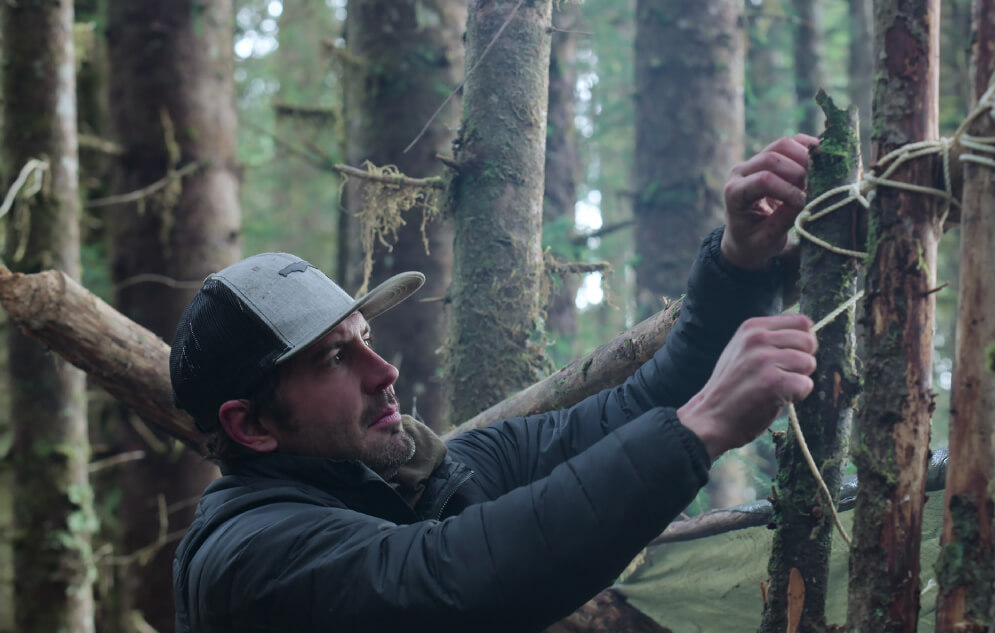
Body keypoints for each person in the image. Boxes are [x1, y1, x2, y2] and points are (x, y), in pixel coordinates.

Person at [169, 134, 820, 633]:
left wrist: (739, 259)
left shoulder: (408, 475)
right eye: (334, 359)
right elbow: (453, 579)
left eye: (365, 338)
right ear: (249, 425)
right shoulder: (246, 559)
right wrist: (697, 428)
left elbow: (633, 406)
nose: (384, 371)